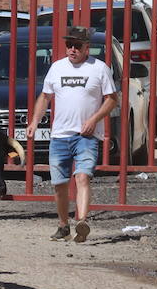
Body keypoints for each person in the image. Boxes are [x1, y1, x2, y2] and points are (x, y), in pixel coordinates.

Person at [29, 25, 118, 243]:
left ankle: (82, 221)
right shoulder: (57, 68)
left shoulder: (99, 68)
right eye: (69, 45)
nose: (72, 49)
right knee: (59, 184)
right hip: (60, 135)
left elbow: (112, 99)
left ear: (87, 48)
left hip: (86, 135)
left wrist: (94, 119)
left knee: (82, 177)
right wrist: (34, 121)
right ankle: (63, 225)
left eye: (77, 46)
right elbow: (45, 96)